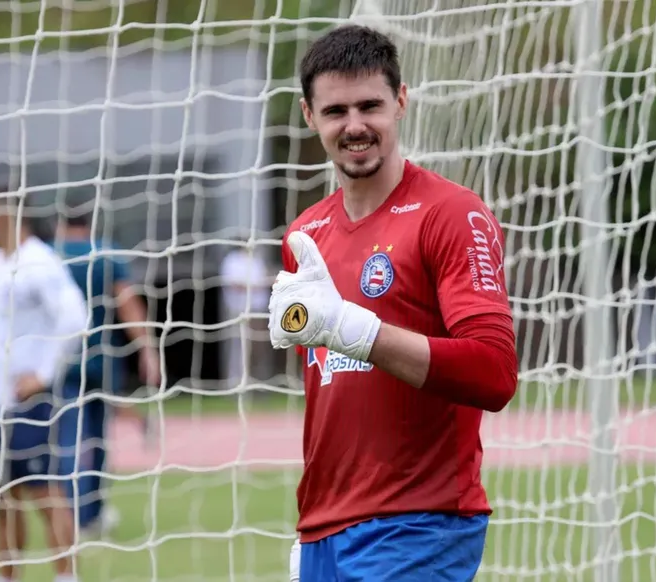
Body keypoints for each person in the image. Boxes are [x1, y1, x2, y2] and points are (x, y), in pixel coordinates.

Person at [268, 25, 519, 581]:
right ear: (309, 116)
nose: (355, 126)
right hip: (325, 532)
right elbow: (336, 393)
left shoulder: (451, 214)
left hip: (418, 526)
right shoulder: (307, 234)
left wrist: (358, 330)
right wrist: (311, 531)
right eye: (335, 111)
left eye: (370, 106)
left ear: (401, 102)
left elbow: (495, 374)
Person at [0, 181, 88, 582]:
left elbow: (75, 318)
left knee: (43, 492)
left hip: (28, 402)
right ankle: (8, 577)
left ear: (6, 211)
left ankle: (66, 576)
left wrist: (44, 373)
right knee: (3, 498)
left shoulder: (39, 261)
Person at [54, 196, 162, 540]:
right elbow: (127, 303)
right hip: (100, 359)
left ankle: (72, 514)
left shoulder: (49, 255)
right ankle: (90, 514)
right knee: (96, 440)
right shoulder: (105, 253)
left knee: (66, 439)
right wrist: (148, 349)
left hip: (57, 361)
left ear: (61, 223)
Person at [220, 239, 272, 388]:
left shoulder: (256, 260)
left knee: (259, 348)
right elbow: (234, 284)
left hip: (258, 311)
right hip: (240, 311)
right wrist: (256, 285)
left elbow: (264, 279)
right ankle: (235, 383)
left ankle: (257, 384)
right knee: (239, 348)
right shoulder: (231, 261)